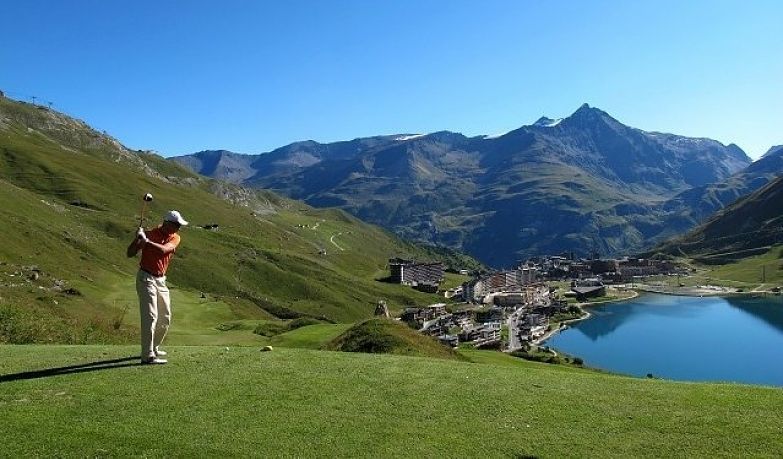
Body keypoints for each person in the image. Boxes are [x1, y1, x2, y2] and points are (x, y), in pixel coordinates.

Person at [126, 210, 188, 364]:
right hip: (145, 277)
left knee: (165, 317)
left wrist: (145, 241)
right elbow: (130, 253)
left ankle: (153, 347)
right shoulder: (149, 234)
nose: (178, 228)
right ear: (167, 224)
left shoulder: (175, 237)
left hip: (161, 280)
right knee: (150, 316)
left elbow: (163, 250)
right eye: (176, 225)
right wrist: (137, 239)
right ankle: (147, 356)